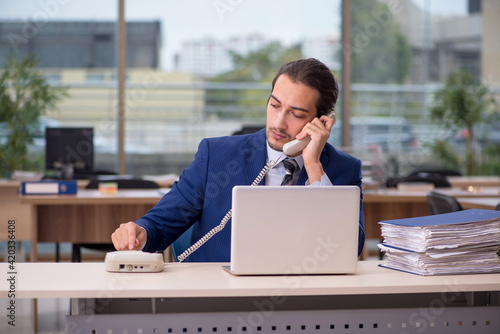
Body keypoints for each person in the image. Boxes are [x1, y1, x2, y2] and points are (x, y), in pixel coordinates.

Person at [111, 58, 365, 261]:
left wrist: (313, 167)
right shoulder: (217, 155)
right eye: (275, 105)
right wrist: (139, 232)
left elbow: (348, 247)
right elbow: (162, 222)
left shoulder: (343, 170)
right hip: (219, 298)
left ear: (321, 121)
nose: (278, 122)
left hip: (299, 299)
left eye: (296, 114)